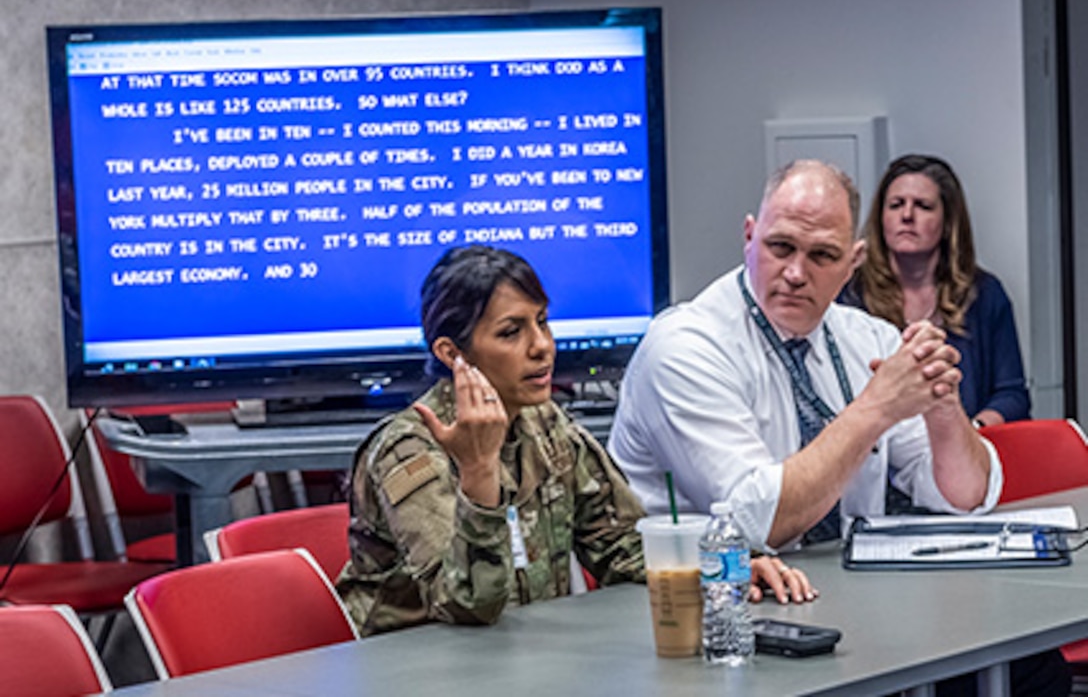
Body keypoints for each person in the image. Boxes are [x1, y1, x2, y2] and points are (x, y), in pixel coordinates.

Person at [336, 244, 815, 637]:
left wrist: (720, 564)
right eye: (511, 331)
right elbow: (467, 608)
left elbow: (621, 549)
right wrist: (479, 472)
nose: (542, 345)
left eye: (542, 321)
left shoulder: (545, 426)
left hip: (527, 670)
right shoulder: (409, 451)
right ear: (451, 352)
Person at [609, 159, 1001, 551]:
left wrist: (943, 407)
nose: (796, 273)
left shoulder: (871, 339)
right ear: (749, 237)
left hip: (835, 589)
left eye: (822, 255)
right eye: (781, 247)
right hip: (695, 598)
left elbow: (965, 497)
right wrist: (876, 408)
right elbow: (760, 525)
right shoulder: (684, 348)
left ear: (852, 264)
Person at [842, 153, 1030, 428]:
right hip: (876, 456)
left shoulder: (983, 294)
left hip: (964, 449)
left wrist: (970, 435)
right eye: (895, 205)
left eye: (923, 206)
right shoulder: (850, 295)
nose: (907, 216)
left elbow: (1012, 396)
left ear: (948, 222)